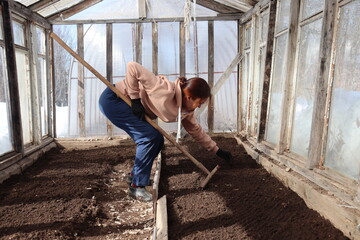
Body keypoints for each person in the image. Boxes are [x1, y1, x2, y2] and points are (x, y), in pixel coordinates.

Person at [99, 62, 232, 202]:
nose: (199, 106)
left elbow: (195, 130)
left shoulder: (186, 111)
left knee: (157, 140)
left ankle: (135, 176)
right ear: (189, 97)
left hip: (124, 105)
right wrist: (135, 99)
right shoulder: (164, 89)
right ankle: (136, 187)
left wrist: (217, 150)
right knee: (149, 137)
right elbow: (133, 67)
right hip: (116, 98)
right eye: (199, 102)